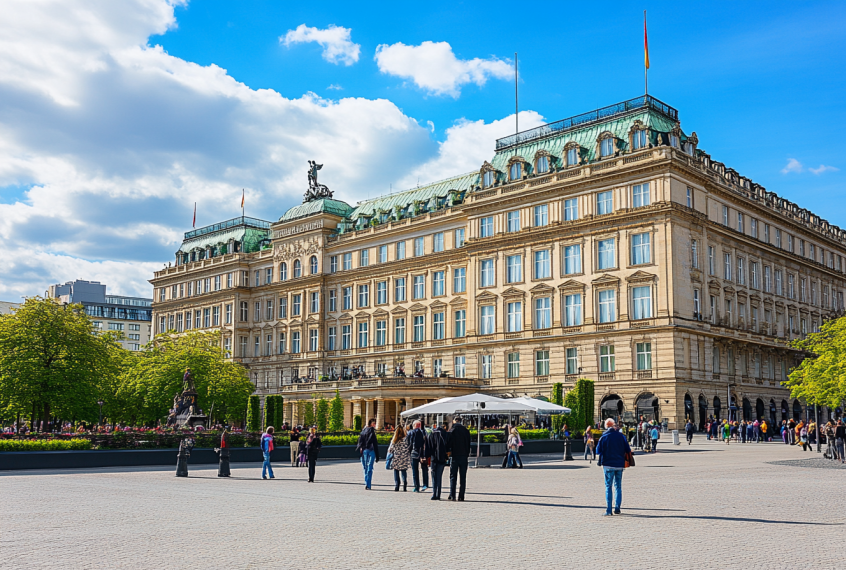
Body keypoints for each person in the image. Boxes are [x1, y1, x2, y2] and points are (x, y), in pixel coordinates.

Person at [596, 418, 632, 516]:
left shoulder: (604, 437)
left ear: (606, 426)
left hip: (607, 464)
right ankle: (617, 508)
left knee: (608, 486)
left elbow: (598, 451)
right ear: (613, 425)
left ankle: (608, 510)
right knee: (618, 486)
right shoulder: (621, 436)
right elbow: (627, 449)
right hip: (619, 464)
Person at [447, 417, 471, 501]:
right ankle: (461, 496)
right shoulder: (466, 431)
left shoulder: (452, 431)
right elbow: (468, 444)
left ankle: (452, 495)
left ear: (454, 421)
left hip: (454, 456)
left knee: (453, 476)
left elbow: (449, 444)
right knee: (463, 477)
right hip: (464, 456)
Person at [355, 418, 380, 489]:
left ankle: (367, 483)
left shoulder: (364, 431)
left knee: (366, 467)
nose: (375, 425)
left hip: (365, 450)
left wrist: (360, 447)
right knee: (369, 467)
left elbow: (360, 441)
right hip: (369, 450)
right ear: (371, 424)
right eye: (374, 423)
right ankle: (368, 484)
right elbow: (374, 443)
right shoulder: (370, 431)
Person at [427, 422, 449, 500]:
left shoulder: (431, 435)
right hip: (442, 458)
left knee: (433, 476)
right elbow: (448, 447)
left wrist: (427, 457)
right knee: (439, 476)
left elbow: (429, 447)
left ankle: (434, 493)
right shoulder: (445, 435)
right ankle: (438, 494)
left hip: (434, 459)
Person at [406, 420, 429, 492]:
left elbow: (408, 443)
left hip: (414, 453)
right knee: (424, 469)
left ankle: (416, 486)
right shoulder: (424, 432)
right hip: (423, 454)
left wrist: (409, 452)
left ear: (414, 425)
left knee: (415, 470)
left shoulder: (410, 432)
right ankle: (425, 484)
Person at [387, 424, 410, 492]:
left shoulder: (394, 440)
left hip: (396, 457)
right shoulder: (406, 439)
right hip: (404, 457)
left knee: (396, 471)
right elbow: (408, 447)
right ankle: (404, 483)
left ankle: (397, 485)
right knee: (403, 470)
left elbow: (390, 450)